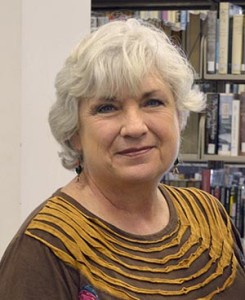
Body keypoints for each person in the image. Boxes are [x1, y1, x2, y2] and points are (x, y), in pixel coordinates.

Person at [0, 18, 244, 300]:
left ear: (179, 115)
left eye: (153, 102)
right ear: (74, 132)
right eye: (107, 107)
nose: (135, 127)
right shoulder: (45, 249)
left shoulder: (209, 215)